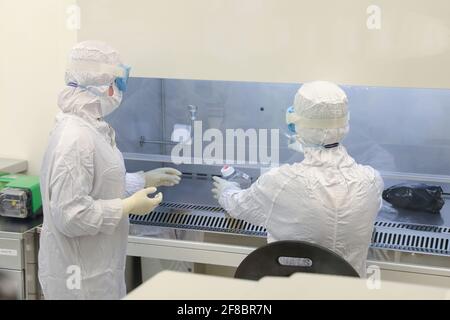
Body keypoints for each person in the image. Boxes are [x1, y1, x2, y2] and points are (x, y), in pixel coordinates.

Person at [38, 41, 181, 300]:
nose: (120, 91)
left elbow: (98, 185)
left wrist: (141, 180)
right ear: (102, 85)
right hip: (80, 284)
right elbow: (71, 216)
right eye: (119, 82)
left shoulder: (90, 128)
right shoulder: (76, 138)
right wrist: (126, 207)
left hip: (95, 272)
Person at [212, 81, 384, 276]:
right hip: (348, 295)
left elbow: (238, 206)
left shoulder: (280, 182)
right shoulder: (372, 181)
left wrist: (226, 190)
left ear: (294, 124)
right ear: (345, 124)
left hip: (291, 293)